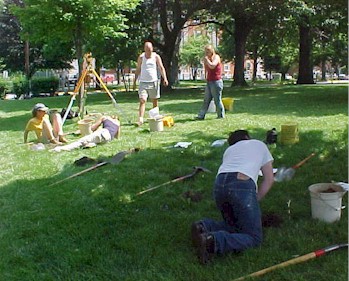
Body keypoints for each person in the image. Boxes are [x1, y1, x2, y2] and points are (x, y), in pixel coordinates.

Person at [191, 130, 274, 264]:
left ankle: (204, 226)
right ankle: (212, 241)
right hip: (241, 186)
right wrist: (255, 200)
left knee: (234, 225)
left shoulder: (229, 151)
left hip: (219, 185)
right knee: (254, 238)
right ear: (247, 137)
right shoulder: (259, 144)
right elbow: (269, 179)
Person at [133, 41, 168, 126]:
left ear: (152, 49)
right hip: (143, 82)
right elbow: (138, 69)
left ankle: (155, 118)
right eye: (147, 50)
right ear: (144, 49)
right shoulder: (141, 57)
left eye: (150, 49)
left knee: (154, 100)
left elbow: (161, 67)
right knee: (142, 100)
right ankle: (140, 119)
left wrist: (165, 78)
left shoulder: (156, 56)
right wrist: (134, 81)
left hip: (154, 82)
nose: (149, 51)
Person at [52, 115, 120, 152]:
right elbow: (117, 136)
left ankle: (59, 149)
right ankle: (90, 144)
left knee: (81, 141)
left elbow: (93, 128)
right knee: (95, 141)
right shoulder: (118, 124)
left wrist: (81, 131)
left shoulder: (105, 117)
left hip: (104, 132)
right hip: (107, 139)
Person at [196, 45, 225, 120]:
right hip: (209, 81)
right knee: (206, 100)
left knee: (217, 100)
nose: (206, 53)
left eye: (208, 51)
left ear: (212, 51)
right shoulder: (206, 59)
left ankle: (221, 115)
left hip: (216, 81)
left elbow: (212, 66)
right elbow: (206, 69)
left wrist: (207, 60)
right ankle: (201, 115)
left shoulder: (216, 57)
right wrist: (206, 77)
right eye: (206, 51)